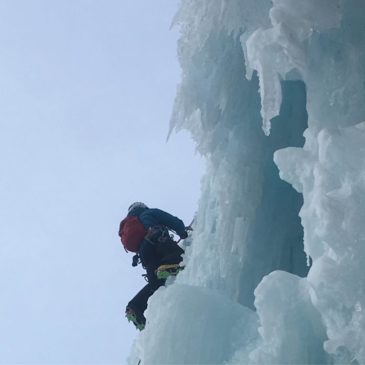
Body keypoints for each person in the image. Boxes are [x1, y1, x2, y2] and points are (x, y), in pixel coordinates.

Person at [119, 202, 189, 330]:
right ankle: (168, 265)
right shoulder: (148, 213)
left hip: (145, 256)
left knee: (156, 285)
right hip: (159, 242)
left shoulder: (131, 227)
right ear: (143, 207)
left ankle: (135, 307)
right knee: (182, 258)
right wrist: (183, 232)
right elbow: (172, 220)